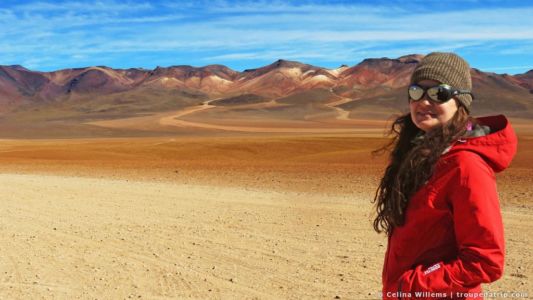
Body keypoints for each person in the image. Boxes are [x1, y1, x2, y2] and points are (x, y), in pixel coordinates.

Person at [372, 52, 517, 300]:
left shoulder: (465, 166)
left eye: (439, 93)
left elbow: (485, 259)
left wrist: (411, 285)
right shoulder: (419, 156)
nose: (424, 102)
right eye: (416, 92)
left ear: (461, 102)